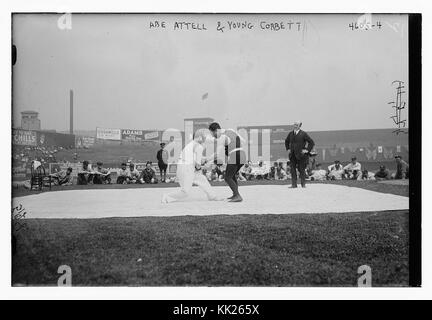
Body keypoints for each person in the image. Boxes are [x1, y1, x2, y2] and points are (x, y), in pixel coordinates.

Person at [162, 129, 223, 203]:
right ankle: (167, 196)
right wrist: (205, 165)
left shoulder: (191, 144)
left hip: (184, 167)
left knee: (202, 179)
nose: (205, 138)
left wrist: (209, 159)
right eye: (203, 136)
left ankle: (212, 196)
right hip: (187, 169)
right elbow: (198, 165)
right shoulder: (199, 147)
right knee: (185, 192)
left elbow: (198, 160)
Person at [208, 122, 246, 202]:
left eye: (212, 133)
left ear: (215, 130)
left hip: (235, 155)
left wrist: (207, 159)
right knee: (232, 176)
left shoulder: (222, 137)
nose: (213, 136)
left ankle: (237, 195)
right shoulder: (231, 130)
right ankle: (235, 194)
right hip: (242, 154)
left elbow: (217, 154)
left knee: (227, 177)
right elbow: (243, 141)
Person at [284, 120, 315, 188]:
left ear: (300, 126)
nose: (295, 126)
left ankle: (303, 184)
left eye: (297, 125)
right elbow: (286, 141)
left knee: (301, 170)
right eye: (294, 124)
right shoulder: (290, 133)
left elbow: (311, 142)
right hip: (292, 155)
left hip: (301, 155)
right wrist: (288, 149)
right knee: (292, 170)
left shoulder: (303, 134)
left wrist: (307, 150)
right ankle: (294, 184)